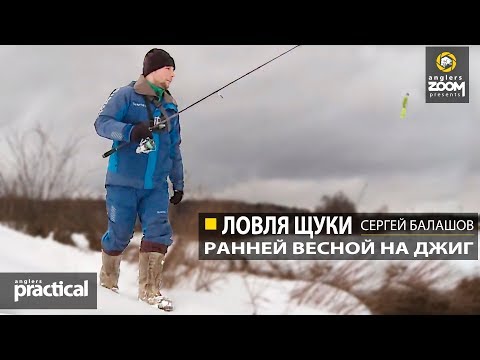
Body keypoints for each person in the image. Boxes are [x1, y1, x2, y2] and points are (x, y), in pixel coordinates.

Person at [94, 48, 184, 311]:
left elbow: (174, 147)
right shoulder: (125, 95)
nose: (173, 74)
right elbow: (101, 123)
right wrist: (129, 131)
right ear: (153, 69)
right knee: (119, 234)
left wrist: (177, 183)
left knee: (159, 232)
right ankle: (108, 284)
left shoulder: (171, 106)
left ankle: (151, 291)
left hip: (155, 187)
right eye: (169, 68)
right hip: (122, 183)